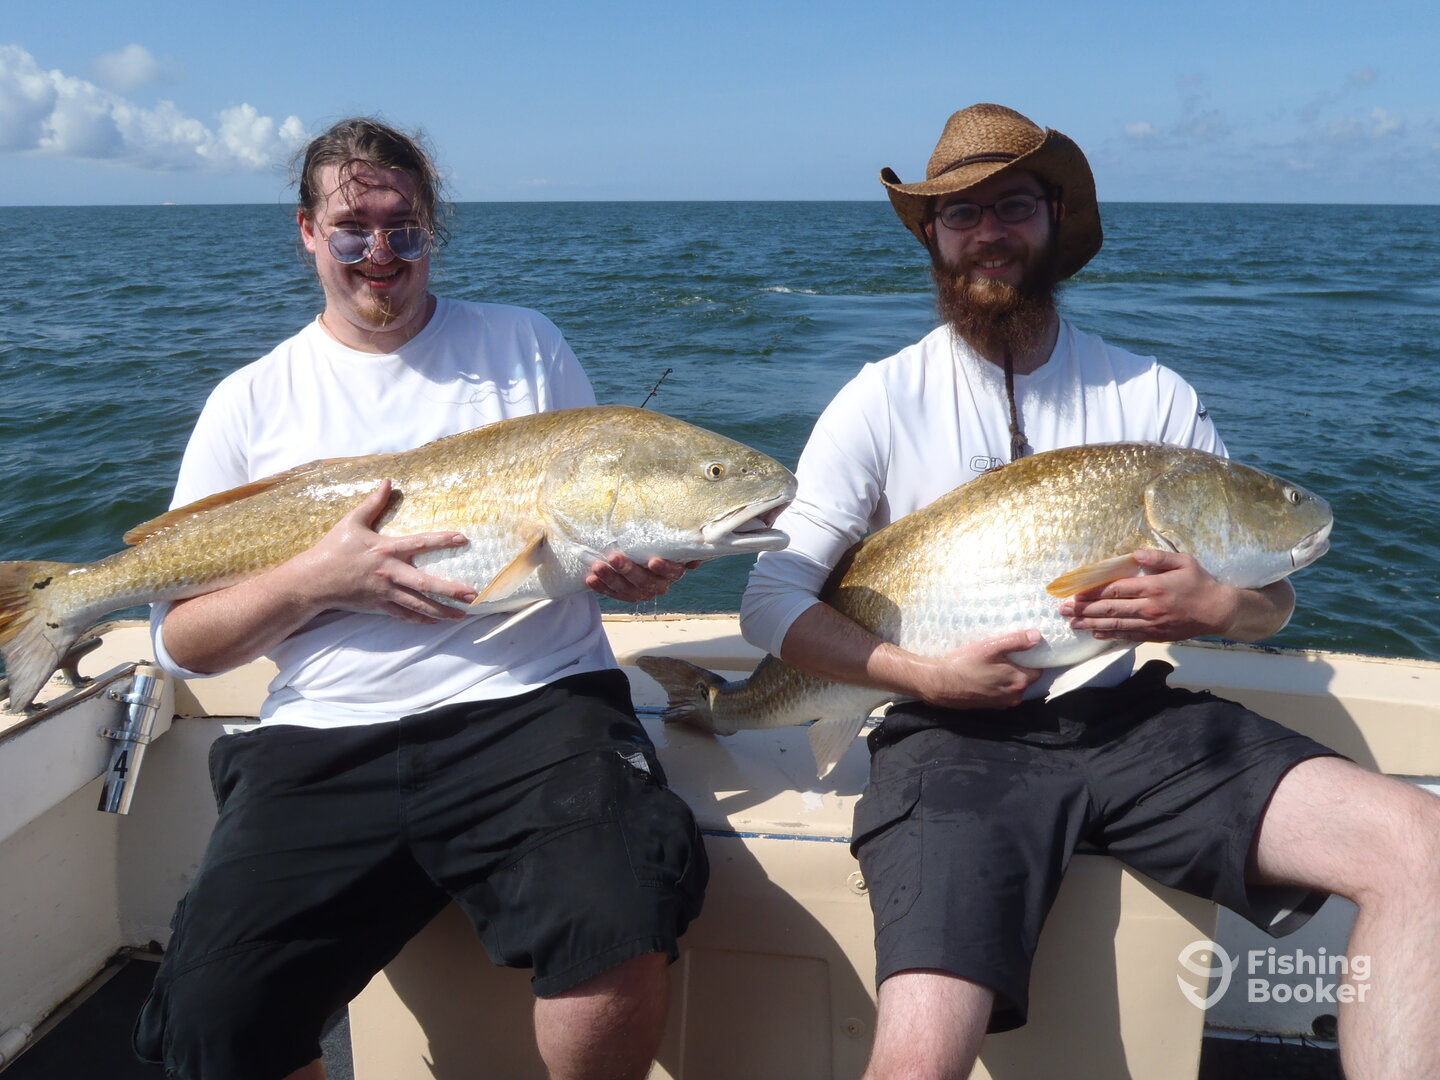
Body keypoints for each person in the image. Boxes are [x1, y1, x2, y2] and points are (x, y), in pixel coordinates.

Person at [741, 103, 1440, 1080]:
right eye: (961, 214)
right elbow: (769, 605)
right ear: (932, 238)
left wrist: (1219, 610)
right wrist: (922, 677)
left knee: (1423, 847)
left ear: (1055, 218)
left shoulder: (1152, 397)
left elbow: (1272, 598)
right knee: (916, 1058)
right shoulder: (879, 400)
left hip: (1130, 723)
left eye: (1013, 205)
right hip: (946, 743)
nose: (989, 233)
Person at [133, 117, 707, 1080]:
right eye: (353, 227)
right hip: (322, 733)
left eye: (406, 227)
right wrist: (316, 580)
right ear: (308, 232)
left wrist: (636, 567)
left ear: (434, 228)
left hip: (535, 705)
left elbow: (595, 515)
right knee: (209, 1020)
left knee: (618, 918)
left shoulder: (524, 345)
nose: (381, 254)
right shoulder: (250, 401)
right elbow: (183, 646)